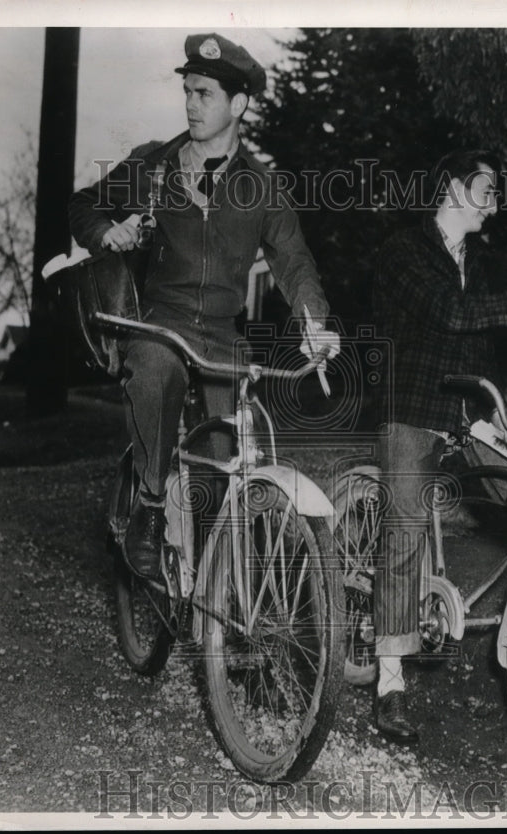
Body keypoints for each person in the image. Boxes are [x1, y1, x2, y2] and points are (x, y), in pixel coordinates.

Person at [69, 33, 339, 579]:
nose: (191, 103)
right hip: (162, 325)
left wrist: (314, 322)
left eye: (205, 94)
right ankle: (147, 504)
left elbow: (294, 263)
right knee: (154, 370)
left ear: (237, 105)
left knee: (230, 453)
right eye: (188, 91)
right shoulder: (154, 164)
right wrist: (107, 232)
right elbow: (83, 205)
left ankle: (220, 582)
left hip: (222, 333)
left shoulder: (262, 188)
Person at [370, 149, 507, 742]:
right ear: (450, 187)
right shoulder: (403, 252)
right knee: (404, 531)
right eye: (484, 190)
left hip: (465, 414)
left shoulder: (476, 262)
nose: (493, 202)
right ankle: (390, 683)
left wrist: (503, 411)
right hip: (409, 412)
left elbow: (481, 332)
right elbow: (450, 313)